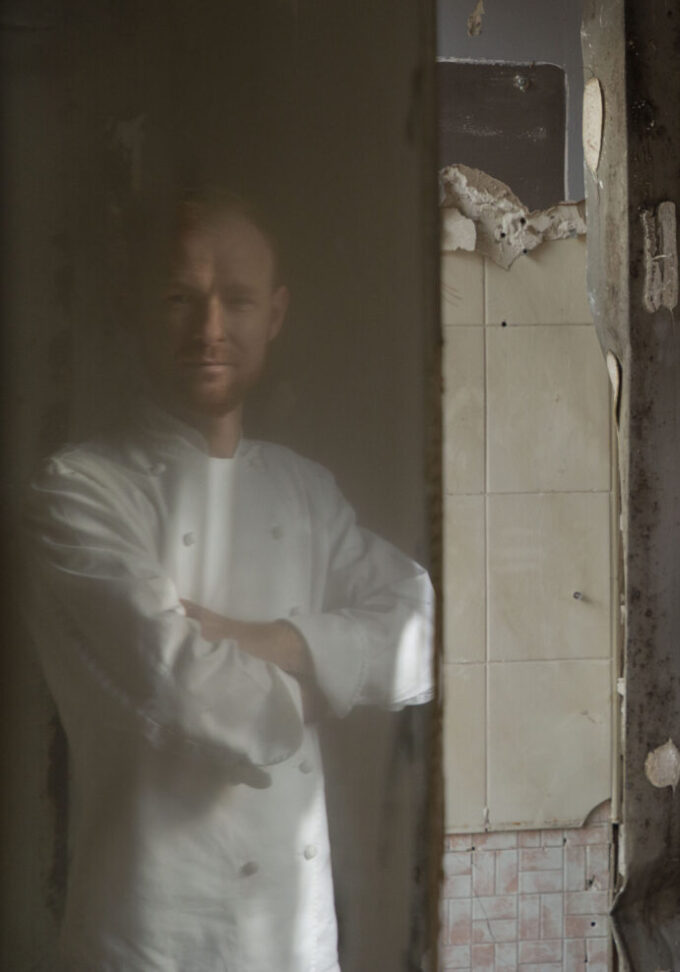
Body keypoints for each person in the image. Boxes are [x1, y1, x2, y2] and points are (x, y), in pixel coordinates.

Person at [24, 190, 434, 972]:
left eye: (237, 300)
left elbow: (423, 628)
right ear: (138, 307)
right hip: (150, 940)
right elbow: (198, 696)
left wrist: (263, 638)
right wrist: (337, 672)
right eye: (182, 298)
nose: (210, 330)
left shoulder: (307, 491)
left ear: (275, 315)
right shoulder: (79, 490)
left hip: (298, 939)